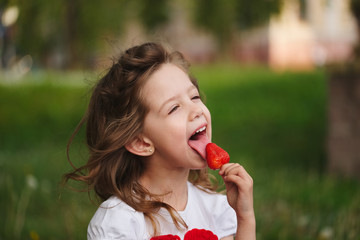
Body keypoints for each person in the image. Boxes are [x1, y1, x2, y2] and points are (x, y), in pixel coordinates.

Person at [65, 42, 255, 240]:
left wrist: (245, 217)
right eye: (174, 108)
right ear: (141, 142)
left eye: (195, 97)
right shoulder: (118, 223)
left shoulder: (216, 209)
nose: (196, 110)